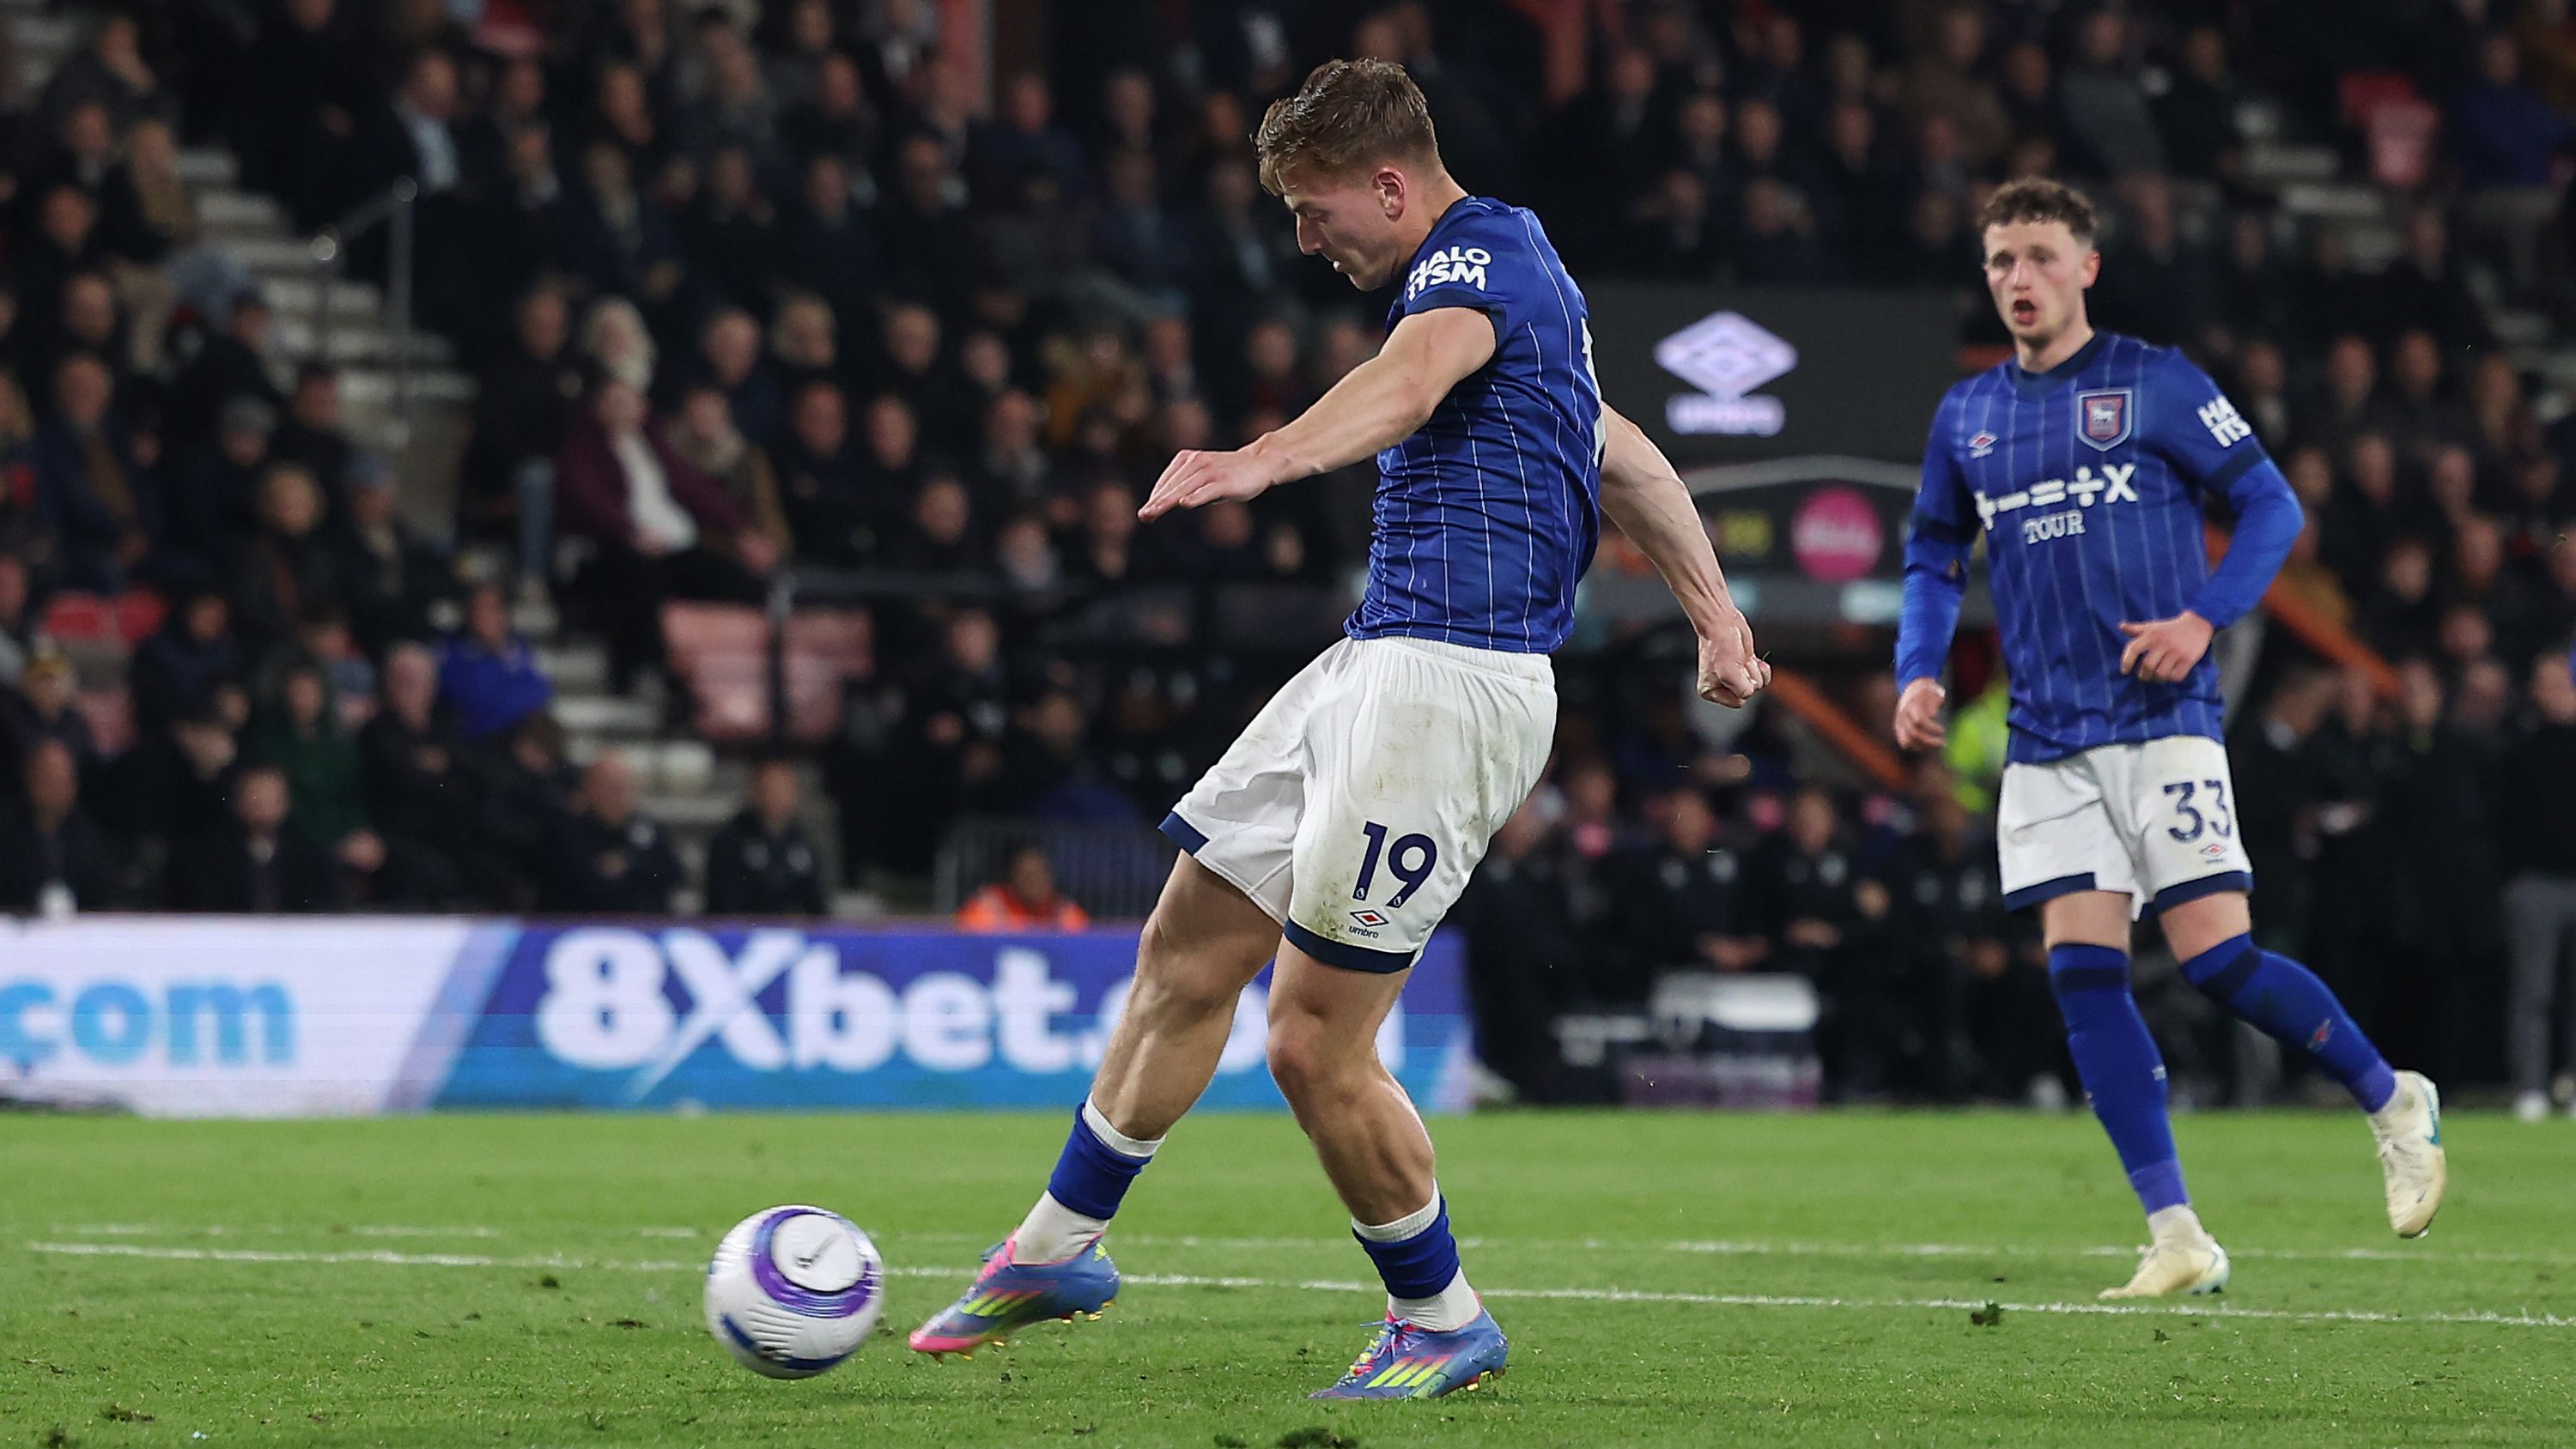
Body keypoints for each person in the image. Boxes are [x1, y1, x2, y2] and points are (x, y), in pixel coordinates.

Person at [908, 59, 1768, 1399]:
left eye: (1315, 212)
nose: (1305, 241)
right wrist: (1717, 614)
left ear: (1388, 183)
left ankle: (1440, 1319)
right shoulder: (1526, 288)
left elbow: (1409, 386)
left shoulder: (1473, 266)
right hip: (1377, 659)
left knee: (1313, 1041)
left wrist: (1260, 458)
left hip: (1451, 682)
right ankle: (1058, 1246)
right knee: (1186, 945)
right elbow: (1625, 456)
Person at [1890, 179, 2445, 1300]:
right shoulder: (1970, 415)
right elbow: (1934, 559)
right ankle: (2177, 1232)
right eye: (2001, 260)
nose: (2019, 279)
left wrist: (2203, 621)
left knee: (2217, 962)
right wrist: (1917, 669)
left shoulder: (2155, 380)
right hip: (2048, 738)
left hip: (2162, 721)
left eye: (2040, 256)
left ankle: (2394, 1099)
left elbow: (2274, 508)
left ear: (2087, 266)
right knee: (2084, 975)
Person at [703, 755, 827, 916]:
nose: (778, 798)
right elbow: (725, 901)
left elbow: (817, 905)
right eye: (771, 790)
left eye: (784, 790)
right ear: (754, 792)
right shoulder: (730, 841)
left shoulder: (805, 843)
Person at [955, 843, 1091, 931]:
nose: (1033, 881)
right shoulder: (990, 906)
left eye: (1039, 874)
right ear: (1012, 877)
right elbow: (964, 944)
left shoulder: (1064, 912)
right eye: (1026, 875)